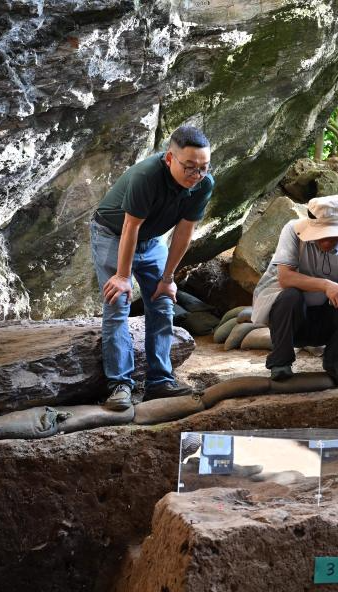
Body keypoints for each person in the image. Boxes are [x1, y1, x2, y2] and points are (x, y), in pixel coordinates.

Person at [90, 125, 214, 410]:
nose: (196, 175)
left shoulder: (203, 185)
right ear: (170, 159)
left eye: (204, 167)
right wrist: (122, 276)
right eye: (190, 167)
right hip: (113, 234)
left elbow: (184, 232)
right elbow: (130, 227)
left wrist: (168, 278)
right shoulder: (147, 176)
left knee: (162, 301)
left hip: (152, 239)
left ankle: (160, 381)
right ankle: (120, 385)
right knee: (117, 301)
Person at [251, 195, 338, 380]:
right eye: (320, 233)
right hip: (293, 321)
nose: (326, 240)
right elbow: (285, 277)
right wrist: (326, 285)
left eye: (331, 233)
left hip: (327, 321)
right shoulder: (293, 231)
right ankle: (281, 362)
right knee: (290, 295)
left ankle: (337, 358)